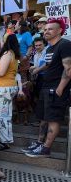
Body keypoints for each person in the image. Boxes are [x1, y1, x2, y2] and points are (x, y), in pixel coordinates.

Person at [24, 20, 71, 158]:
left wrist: (61, 87)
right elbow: (50, 66)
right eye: (45, 30)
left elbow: (68, 69)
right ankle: (40, 143)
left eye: (50, 29)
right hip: (46, 86)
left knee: (53, 119)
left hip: (56, 89)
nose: (46, 31)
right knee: (43, 118)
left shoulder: (65, 45)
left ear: (59, 31)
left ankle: (46, 149)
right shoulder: (49, 48)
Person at [0, 34, 20, 150]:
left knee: (1, 116)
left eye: (1, 39)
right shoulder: (13, 54)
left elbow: (1, 72)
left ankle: (5, 142)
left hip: (3, 89)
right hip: (1, 88)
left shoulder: (8, 54)